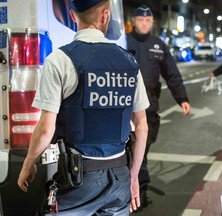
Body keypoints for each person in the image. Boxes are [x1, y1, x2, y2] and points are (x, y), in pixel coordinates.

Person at [17, 0, 150, 215]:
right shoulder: (129, 62)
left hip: (77, 179)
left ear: (72, 15)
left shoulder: (59, 60)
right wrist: (133, 177)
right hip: (119, 176)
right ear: (105, 16)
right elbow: (141, 126)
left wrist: (28, 163)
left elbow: (45, 129)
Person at [126, 4, 191, 210]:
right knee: (125, 152)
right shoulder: (123, 41)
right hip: (124, 107)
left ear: (152, 22)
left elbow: (172, 73)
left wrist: (182, 98)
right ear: (134, 21)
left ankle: (139, 193)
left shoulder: (158, 45)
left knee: (142, 150)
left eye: (147, 20)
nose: (144, 23)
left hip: (149, 108)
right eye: (140, 19)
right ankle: (133, 193)